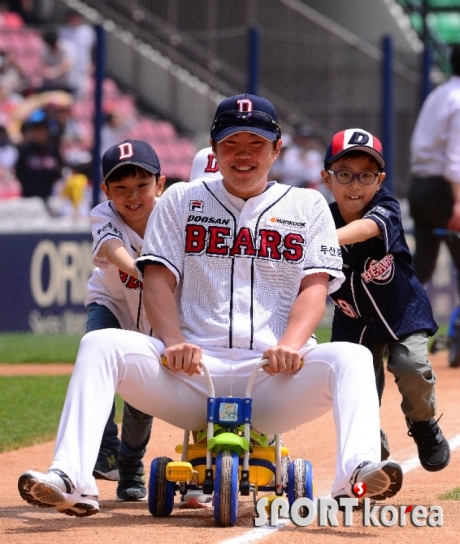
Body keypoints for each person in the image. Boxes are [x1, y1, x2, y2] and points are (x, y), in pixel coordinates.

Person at [18, 94, 403, 518]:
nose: (243, 155)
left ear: (276, 149)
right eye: (230, 144)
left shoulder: (308, 205)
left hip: (275, 377)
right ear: (214, 149)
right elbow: (158, 279)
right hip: (193, 377)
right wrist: (172, 341)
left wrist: (292, 345)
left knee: (352, 356)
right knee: (100, 344)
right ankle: (71, 477)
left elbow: (315, 285)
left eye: (255, 144)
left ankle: (355, 475)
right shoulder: (181, 199)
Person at [321, 127, 451, 472]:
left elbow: (366, 229)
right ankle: (369, 448)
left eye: (366, 175)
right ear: (326, 178)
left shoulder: (385, 206)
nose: (355, 185)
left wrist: (321, 239)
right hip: (353, 321)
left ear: (380, 180)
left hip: (401, 311)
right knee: (357, 389)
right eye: (344, 174)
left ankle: (423, 425)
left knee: (412, 368)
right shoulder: (318, 217)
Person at [86, 139, 165, 501]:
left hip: (155, 316)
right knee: (94, 354)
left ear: (159, 185)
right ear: (106, 190)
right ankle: (104, 448)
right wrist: (143, 270)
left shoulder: (174, 216)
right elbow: (111, 248)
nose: (132, 196)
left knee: (141, 399)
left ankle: (130, 467)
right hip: (112, 304)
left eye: (142, 186)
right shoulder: (103, 214)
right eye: (121, 187)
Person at [408, 44, 460, 368]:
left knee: (421, 267)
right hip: (446, 191)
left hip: (420, 187)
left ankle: (394, 333)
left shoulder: (440, 94)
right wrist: (458, 201)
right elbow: (456, 159)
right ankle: (456, 341)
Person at [14, 109, 63, 203]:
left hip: (49, 197)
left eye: (42, 129)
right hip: (29, 197)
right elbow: (19, 173)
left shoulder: (53, 150)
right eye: (36, 130)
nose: (39, 133)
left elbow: (58, 173)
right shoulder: (25, 151)